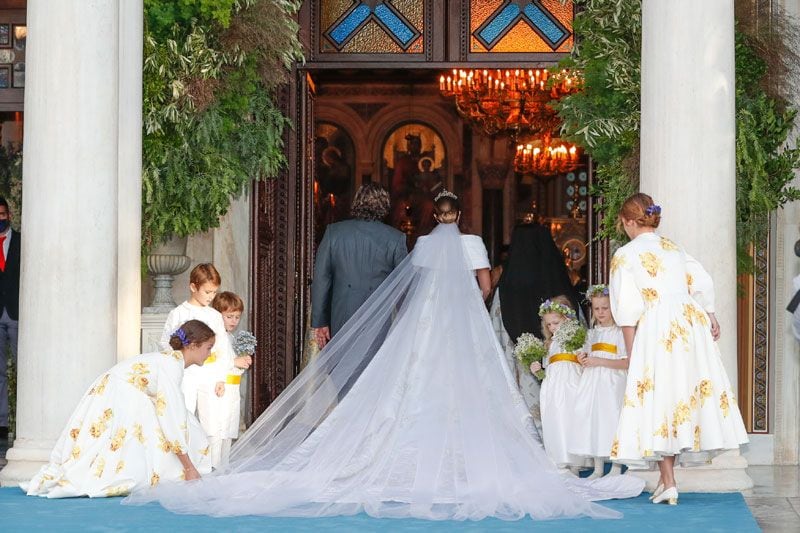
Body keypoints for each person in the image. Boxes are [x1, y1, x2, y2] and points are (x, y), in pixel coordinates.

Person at [126, 191, 643, 521]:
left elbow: (360, 282)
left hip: (377, 318)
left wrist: (321, 321)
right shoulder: (438, 241)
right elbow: (479, 286)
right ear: (458, 215)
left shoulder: (382, 240)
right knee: (469, 385)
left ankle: (363, 440)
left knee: (389, 391)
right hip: (443, 324)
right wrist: (462, 306)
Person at [608, 193, 748, 505]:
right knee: (678, 396)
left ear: (630, 221)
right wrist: (708, 312)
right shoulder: (672, 246)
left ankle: (669, 481)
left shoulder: (625, 255)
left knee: (658, 398)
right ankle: (665, 479)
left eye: (623, 222)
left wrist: (632, 355)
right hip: (688, 323)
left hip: (655, 325)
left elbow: (627, 308)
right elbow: (700, 278)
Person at [24, 320, 215, 498]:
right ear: (192, 345)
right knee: (172, 422)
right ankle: (182, 471)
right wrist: (187, 465)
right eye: (208, 348)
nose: (210, 353)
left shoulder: (170, 361)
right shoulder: (171, 364)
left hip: (119, 390)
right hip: (122, 394)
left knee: (177, 422)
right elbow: (171, 414)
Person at [311, 183, 407, 349]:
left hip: (342, 312)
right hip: (379, 315)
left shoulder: (334, 232)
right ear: (384, 205)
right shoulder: (395, 239)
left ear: (357, 202)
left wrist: (320, 322)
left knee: (341, 367)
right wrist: (405, 321)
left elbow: (321, 278)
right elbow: (403, 284)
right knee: (373, 369)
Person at [160, 263, 238, 468]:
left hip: (210, 374)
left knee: (212, 421)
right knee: (183, 415)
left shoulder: (214, 316)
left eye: (214, 292)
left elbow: (222, 348)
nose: (211, 296)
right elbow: (166, 343)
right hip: (186, 374)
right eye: (207, 291)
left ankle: (210, 465)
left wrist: (221, 377)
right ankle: (182, 465)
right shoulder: (178, 313)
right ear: (193, 287)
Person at [570, 285, 627, 478]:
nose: (601, 313)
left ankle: (617, 466)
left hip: (613, 382)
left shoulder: (620, 333)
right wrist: (583, 358)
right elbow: (588, 354)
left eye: (605, 308)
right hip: (592, 382)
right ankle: (598, 467)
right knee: (593, 420)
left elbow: (627, 362)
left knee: (612, 419)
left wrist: (598, 361)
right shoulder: (591, 333)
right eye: (596, 309)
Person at [531, 296, 585, 473]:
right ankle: (558, 459)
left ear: (567, 319)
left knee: (569, 417)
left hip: (570, 381)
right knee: (553, 418)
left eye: (556, 323)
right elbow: (546, 369)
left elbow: (583, 358)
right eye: (549, 325)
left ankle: (574, 461)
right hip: (552, 384)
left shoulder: (576, 338)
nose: (553, 328)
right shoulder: (549, 343)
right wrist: (537, 369)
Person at [210, 291, 252, 465]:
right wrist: (234, 361)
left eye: (237, 317)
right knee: (217, 430)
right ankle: (213, 465)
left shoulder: (230, 337)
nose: (234, 321)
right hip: (219, 389)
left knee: (228, 430)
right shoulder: (214, 336)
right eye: (229, 316)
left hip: (232, 390)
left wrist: (242, 362)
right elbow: (210, 360)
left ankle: (224, 465)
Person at [0, 197, 19, 440]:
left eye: (2, 214)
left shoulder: (21, 241)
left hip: (16, 313)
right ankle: (2, 423)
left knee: (25, 368)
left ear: (9, 216)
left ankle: (26, 420)